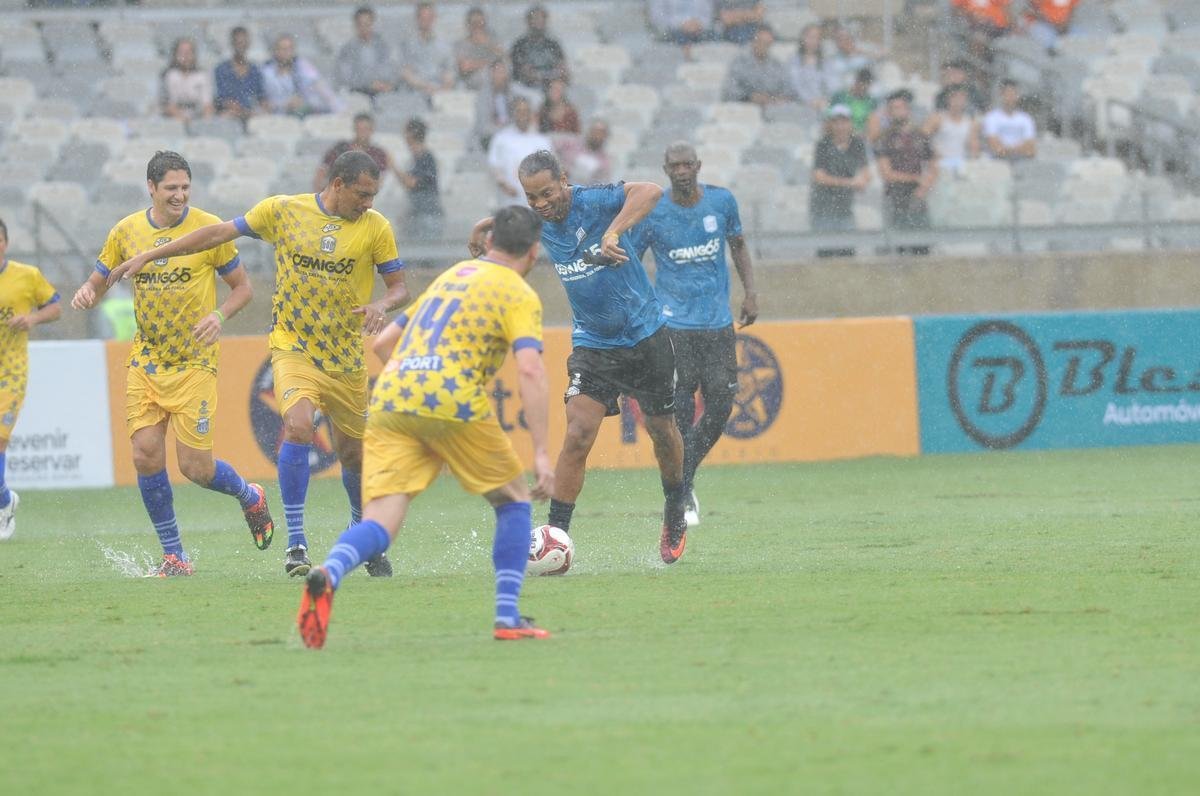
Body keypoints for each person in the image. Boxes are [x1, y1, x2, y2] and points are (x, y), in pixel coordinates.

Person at [103, 151, 410, 578]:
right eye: (362, 194)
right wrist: (151, 256)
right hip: (293, 346)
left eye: (373, 195)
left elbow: (399, 288)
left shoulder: (377, 228)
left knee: (353, 453)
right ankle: (296, 542)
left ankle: (361, 531)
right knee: (299, 425)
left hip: (345, 357)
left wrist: (382, 303)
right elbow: (215, 234)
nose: (369, 203)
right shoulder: (283, 211)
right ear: (337, 185)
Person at [297, 205, 555, 648]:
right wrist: (542, 453)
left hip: (393, 394)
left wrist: (421, 399)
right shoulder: (518, 293)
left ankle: (330, 571)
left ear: (490, 243)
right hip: (452, 396)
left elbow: (383, 342)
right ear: (533, 253)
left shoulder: (451, 277)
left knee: (382, 520)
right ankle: (507, 616)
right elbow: (530, 370)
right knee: (513, 500)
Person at [469, 150, 690, 564]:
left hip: (646, 337)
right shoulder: (538, 220)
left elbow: (651, 191)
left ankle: (675, 505)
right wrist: (487, 226)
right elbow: (515, 220)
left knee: (662, 431)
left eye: (547, 193)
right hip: (593, 345)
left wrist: (613, 232)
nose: (540, 204)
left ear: (565, 180)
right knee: (578, 432)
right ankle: (556, 536)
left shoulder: (594, 200)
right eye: (532, 197)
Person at [69, 151, 272, 575]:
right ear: (151, 188)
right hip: (147, 359)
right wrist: (88, 292)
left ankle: (249, 495)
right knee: (145, 454)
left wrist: (219, 315)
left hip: (195, 363)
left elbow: (243, 289)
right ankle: (174, 554)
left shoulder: (209, 229)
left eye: (185, 188)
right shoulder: (126, 231)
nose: (179, 196)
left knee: (195, 468)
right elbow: (99, 279)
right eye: (171, 188)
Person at [631, 142, 757, 528]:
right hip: (673, 326)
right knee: (680, 411)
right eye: (675, 165)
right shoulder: (654, 211)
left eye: (688, 164)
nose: (682, 170)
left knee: (720, 405)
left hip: (717, 323)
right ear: (665, 170)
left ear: (699, 166)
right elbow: (631, 259)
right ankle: (683, 494)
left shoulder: (721, 203)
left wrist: (750, 292)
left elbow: (737, 245)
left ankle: (682, 477)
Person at [0, 218, 61, 541]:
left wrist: (32, 318)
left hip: (11, 371)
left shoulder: (26, 276)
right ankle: (5, 500)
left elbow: (55, 307)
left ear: (5, 243)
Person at [876, 90, 938, 248]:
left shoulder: (921, 135)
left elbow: (933, 165)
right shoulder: (884, 139)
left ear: (908, 110)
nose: (897, 112)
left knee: (922, 245)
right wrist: (916, 178)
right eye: (893, 108)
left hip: (917, 198)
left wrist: (925, 186)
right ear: (888, 113)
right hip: (895, 197)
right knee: (898, 246)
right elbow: (887, 174)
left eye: (900, 107)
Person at [810, 104, 871, 257]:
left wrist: (862, 180)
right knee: (825, 252)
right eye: (836, 122)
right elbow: (819, 177)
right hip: (824, 209)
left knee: (848, 252)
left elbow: (866, 172)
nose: (840, 126)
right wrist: (850, 183)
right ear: (830, 124)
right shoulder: (823, 145)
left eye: (844, 122)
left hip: (845, 208)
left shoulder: (857, 144)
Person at [487, 97, 553, 209]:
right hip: (509, 201)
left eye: (526, 111)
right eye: (519, 111)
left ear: (531, 114)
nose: (522, 115)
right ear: (513, 113)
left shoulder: (542, 141)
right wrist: (504, 185)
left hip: (537, 204)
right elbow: (494, 166)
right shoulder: (501, 138)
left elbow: (551, 170)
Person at [312, 112, 397, 191]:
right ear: (354, 129)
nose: (362, 133)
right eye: (359, 129)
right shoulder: (340, 148)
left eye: (365, 129)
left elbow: (378, 182)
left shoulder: (378, 154)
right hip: (335, 193)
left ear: (372, 130)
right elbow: (322, 171)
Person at [262, 34, 340, 117]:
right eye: (283, 49)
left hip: (303, 114)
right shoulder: (266, 72)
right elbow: (264, 103)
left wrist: (338, 108)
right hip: (276, 116)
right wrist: (284, 105)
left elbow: (322, 89)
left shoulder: (303, 66)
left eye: (290, 49)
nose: (287, 53)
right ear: (275, 51)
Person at [722, 25, 799, 108]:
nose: (763, 46)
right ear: (753, 41)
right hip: (745, 109)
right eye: (760, 41)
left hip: (772, 108)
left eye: (767, 43)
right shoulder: (739, 62)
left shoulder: (777, 65)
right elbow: (729, 90)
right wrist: (750, 97)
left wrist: (775, 98)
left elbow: (788, 90)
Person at [399, 2, 455, 105]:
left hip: (439, 93)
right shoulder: (407, 44)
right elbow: (405, 72)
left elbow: (449, 72)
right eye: (422, 18)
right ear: (417, 19)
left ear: (434, 18)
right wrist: (425, 86)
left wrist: (442, 89)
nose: (426, 22)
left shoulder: (445, 45)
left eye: (429, 18)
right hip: (414, 92)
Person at [335, 5, 398, 98]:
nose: (364, 28)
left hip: (384, 91)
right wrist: (369, 84)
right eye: (361, 24)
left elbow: (391, 68)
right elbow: (345, 78)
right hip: (359, 93)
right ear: (356, 25)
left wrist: (384, 83)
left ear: (373, 23)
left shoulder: (383, 46)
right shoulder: (347, 49)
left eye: (368, 24)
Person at [398, 117, 443, 242]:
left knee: (427, 252)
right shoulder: (415, 159)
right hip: (418, 212)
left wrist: (393, 166)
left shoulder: (426, 158)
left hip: (428, 214)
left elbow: (412, 183)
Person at [924, 84, 980, 174]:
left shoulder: (971, 123)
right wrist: (933, 155)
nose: (958, 101)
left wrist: (973, 162)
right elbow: (922, 139)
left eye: (962, 97)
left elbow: (974, 146)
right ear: (948, 99)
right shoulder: (937, 118)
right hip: (939, 164)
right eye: (955, 97)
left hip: (960, 164)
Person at [215, 26, 267, 123]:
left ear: (248, 44)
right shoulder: (222, 69)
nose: (241, 46)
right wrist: (234, 107)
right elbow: (220, 97)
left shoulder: (255, 70)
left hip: (251, 113)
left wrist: (262, 108)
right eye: (238, 43)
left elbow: (261, 96)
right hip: (229, 113)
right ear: (232, 44)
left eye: (243, 42)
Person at [510, 5, 569, 90]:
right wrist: (542, 76)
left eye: (541, 18)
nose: (538, 22)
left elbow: (562, 69)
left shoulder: (554, 44)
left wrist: (555, 76)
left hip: (552, 88)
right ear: (528, 21)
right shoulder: (519, 45)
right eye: (535, 18)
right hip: (526, 89)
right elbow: (522, 72)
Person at [161, 38, 213, 123]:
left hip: (198, 118)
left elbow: (207, 105)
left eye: (189, 52)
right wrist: (184, 119)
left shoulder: (202, 76)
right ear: (175, 55)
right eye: (181, 52)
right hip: (174, 121)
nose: (186, 55)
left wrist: (204, 121)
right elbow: (170, 106)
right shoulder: (170, 75)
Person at [982, 79, 1037, 161]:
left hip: (1021, 162)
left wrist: (1007, 150)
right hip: (998, 162)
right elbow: (994, 146)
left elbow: (1031, 149)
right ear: (1001, 95)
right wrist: (1018, 150)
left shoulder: (1026, 119)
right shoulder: (991, 117)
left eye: (1013, 93)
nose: (1010, 97)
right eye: (1007, 93)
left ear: (1017, 95)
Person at [454, 6, 505, 90]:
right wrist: (490, 62)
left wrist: (487, 44)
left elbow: (505, 60)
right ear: (468, 25)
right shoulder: (461, 44)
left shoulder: (493, 42)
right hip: (471, 85)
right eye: (474, 23)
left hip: (494, 85)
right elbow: (464, 67)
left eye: (481, 23)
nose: (478, 26)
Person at [788, 23, 837, 111]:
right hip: (801, 104)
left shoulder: (826, 62)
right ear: (803, 38)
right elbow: (795, 85)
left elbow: (832, 84)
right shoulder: (794, 61)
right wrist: (810, 101)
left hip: (824, 104)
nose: (813, 41)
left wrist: (825, 100)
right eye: (810, 37)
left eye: (817, 38)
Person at [648, 0, 716, 57]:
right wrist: (681, 23)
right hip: (672, 30)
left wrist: (698, 23)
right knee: (680, 36)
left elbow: (708, 15)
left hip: (698, 30)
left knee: (714, 37)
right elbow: (657, 17)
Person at [556, 118, 613, 184]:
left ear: (605, 136)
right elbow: (552, 150)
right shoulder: (571, 144)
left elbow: (602, 183)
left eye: (601, 133)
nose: (597, 136)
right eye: (595, 131)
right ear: (589, 131)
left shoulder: (604, 162)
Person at [829, 67, 879, 136]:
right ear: (856, 81)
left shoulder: (871, 101)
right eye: (861, 83)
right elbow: (831, 116)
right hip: (842, 132)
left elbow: (872, 123)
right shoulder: (841, 97)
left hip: (862, 135)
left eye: (867, 84)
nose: (863, 87)